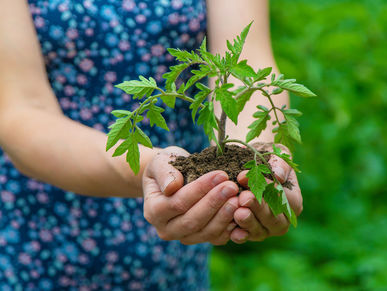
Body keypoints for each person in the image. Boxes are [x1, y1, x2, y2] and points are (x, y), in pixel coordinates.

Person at [0, 0, 303, 289]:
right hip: (38, 241)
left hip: (182, 233)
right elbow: (21, 110)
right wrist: (155, 168)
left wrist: (253, 161)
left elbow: (245, 58)